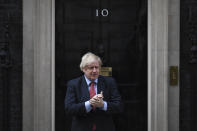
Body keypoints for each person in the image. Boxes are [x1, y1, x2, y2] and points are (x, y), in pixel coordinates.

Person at [64, 52, 122, 131]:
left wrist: (103, 104)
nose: (95, 71)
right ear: (83, 69)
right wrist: (90, 103)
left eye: (97, 67)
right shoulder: (74, 84)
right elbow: (69, 109)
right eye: (91, 68)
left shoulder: (109, 82)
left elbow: (119, 106)